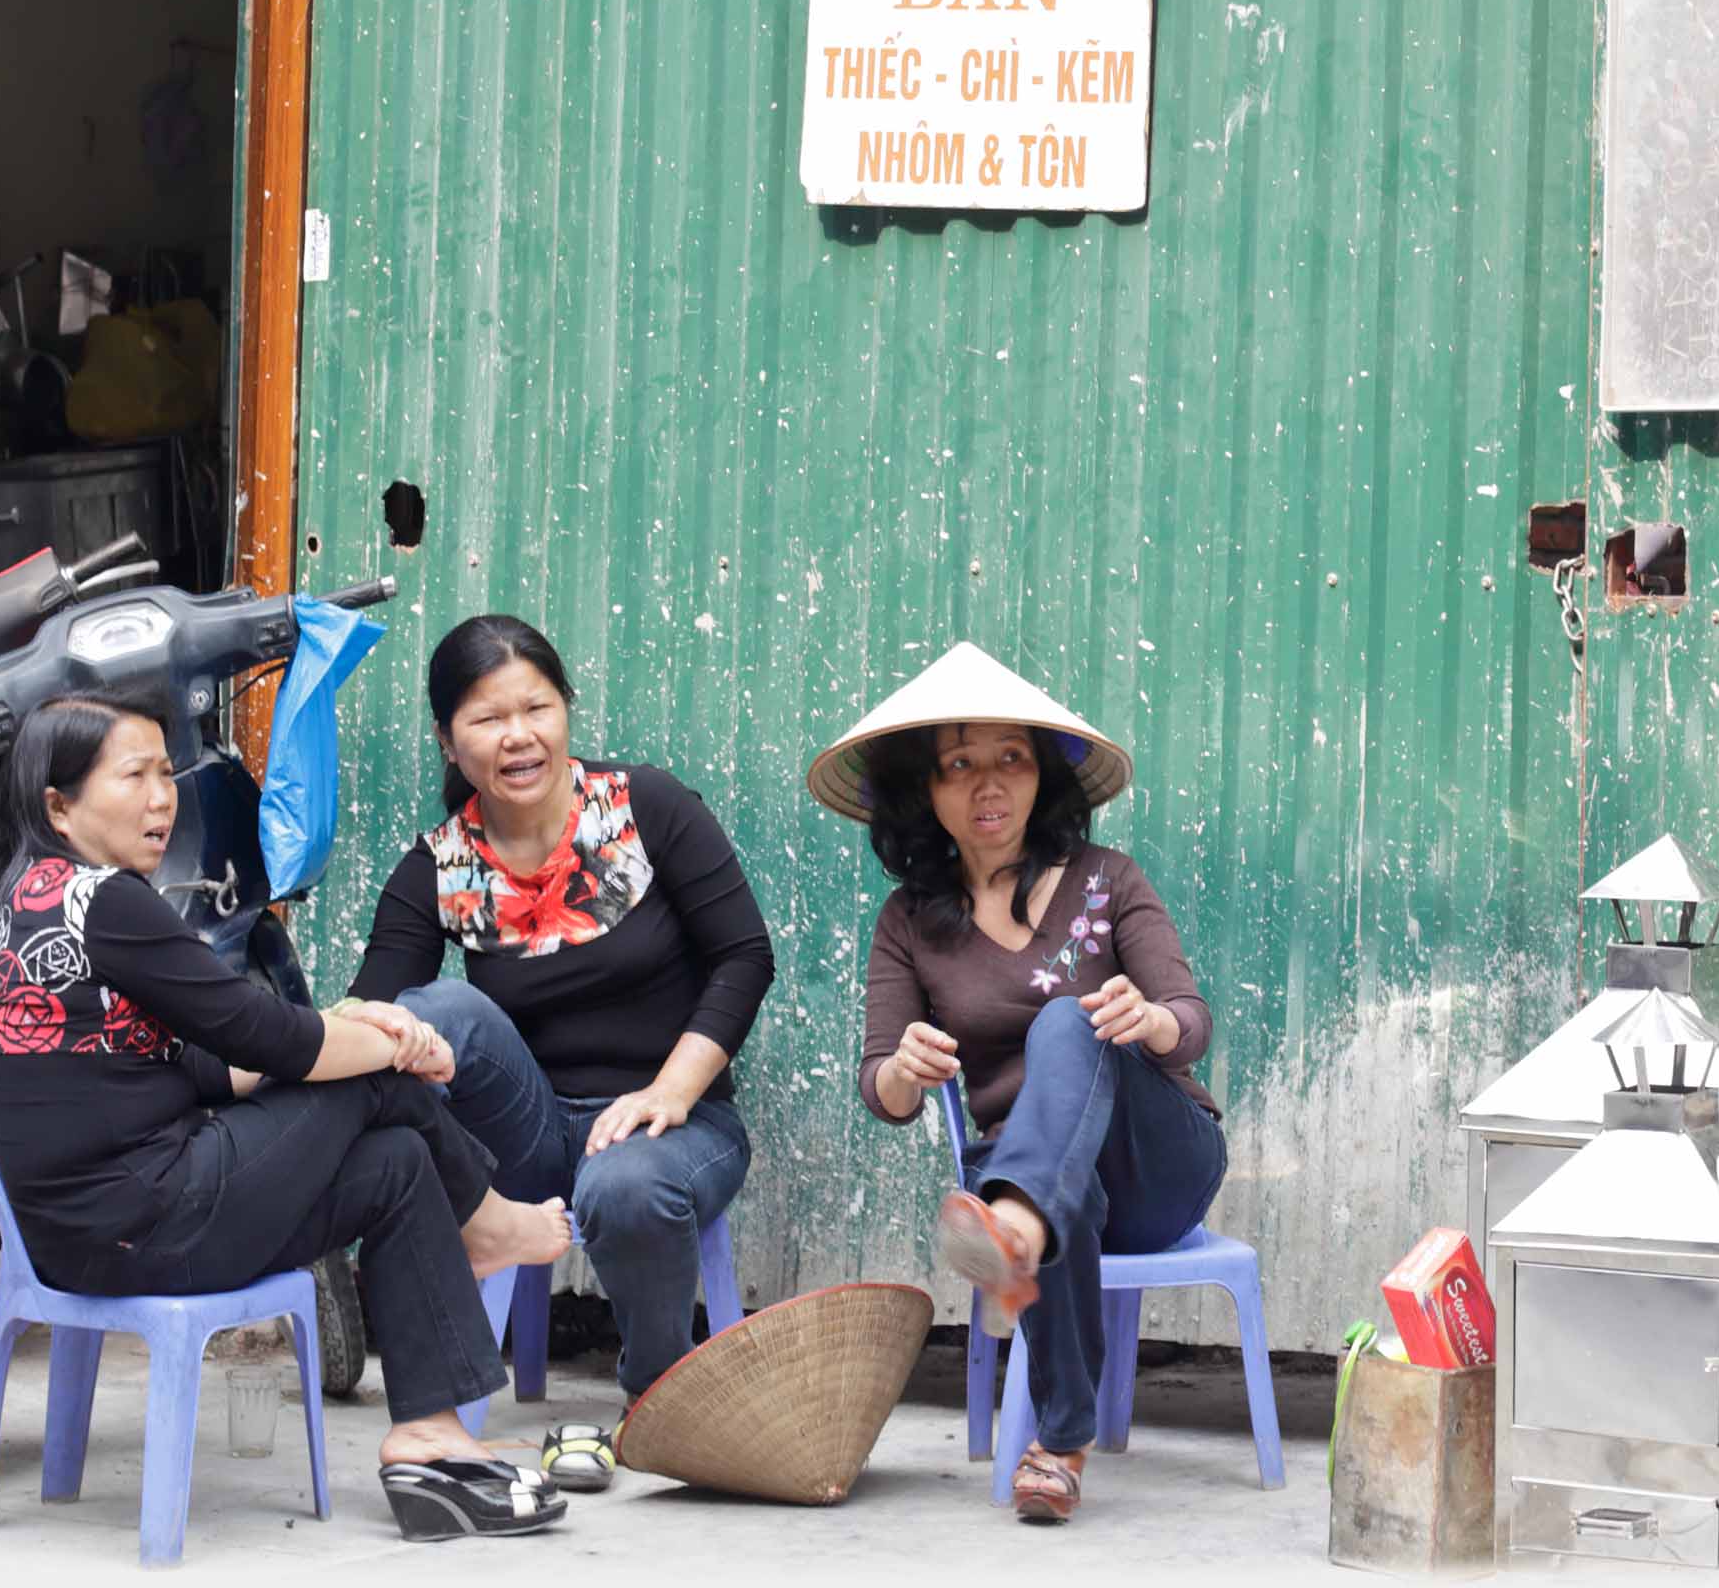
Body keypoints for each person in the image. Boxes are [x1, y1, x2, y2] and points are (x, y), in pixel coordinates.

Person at [0, 691, 576, 1542]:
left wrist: (367, 1029)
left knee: (393, 1161)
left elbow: (203, 1061)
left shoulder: (11, 904)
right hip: (151, 1218)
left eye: (166, 773)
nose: (162, 797)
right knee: (372, 1087)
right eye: (133, 776)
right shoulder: (105, 903)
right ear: (58, 806)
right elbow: (275, 1039)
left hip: (88, 1236)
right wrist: (388, 1043)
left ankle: (429, 1436)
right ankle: (491, 1222)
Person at [343, 615, 775, 1493]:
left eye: (535, 707)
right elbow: (379, 1014)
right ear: (448, 740)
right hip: (530, 1134)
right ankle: (468, 1236)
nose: (517, 736)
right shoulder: (437, 867)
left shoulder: (647, 808)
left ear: (565, 710)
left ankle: (657, 1396)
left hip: (676, 1123)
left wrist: (674, 1089)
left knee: (625, 1183)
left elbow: (744, 954)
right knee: (428, 1014)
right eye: (486, 718)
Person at [811, 642, 1225, 1526]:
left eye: (1011, 759)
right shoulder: (910, 922)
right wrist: (903, 1069)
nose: (987, 786)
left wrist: (1150, 1022)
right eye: (959, 764)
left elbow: (1191, 1022)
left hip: (1159, 1162)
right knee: (1052, 1187)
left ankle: (1016, 1230)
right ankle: (1061, 1444)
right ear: (927, 790)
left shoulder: (1109, 882)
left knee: (1067, 1023)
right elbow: (881, 1090)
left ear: (1045, 778)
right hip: (1043, 1173)